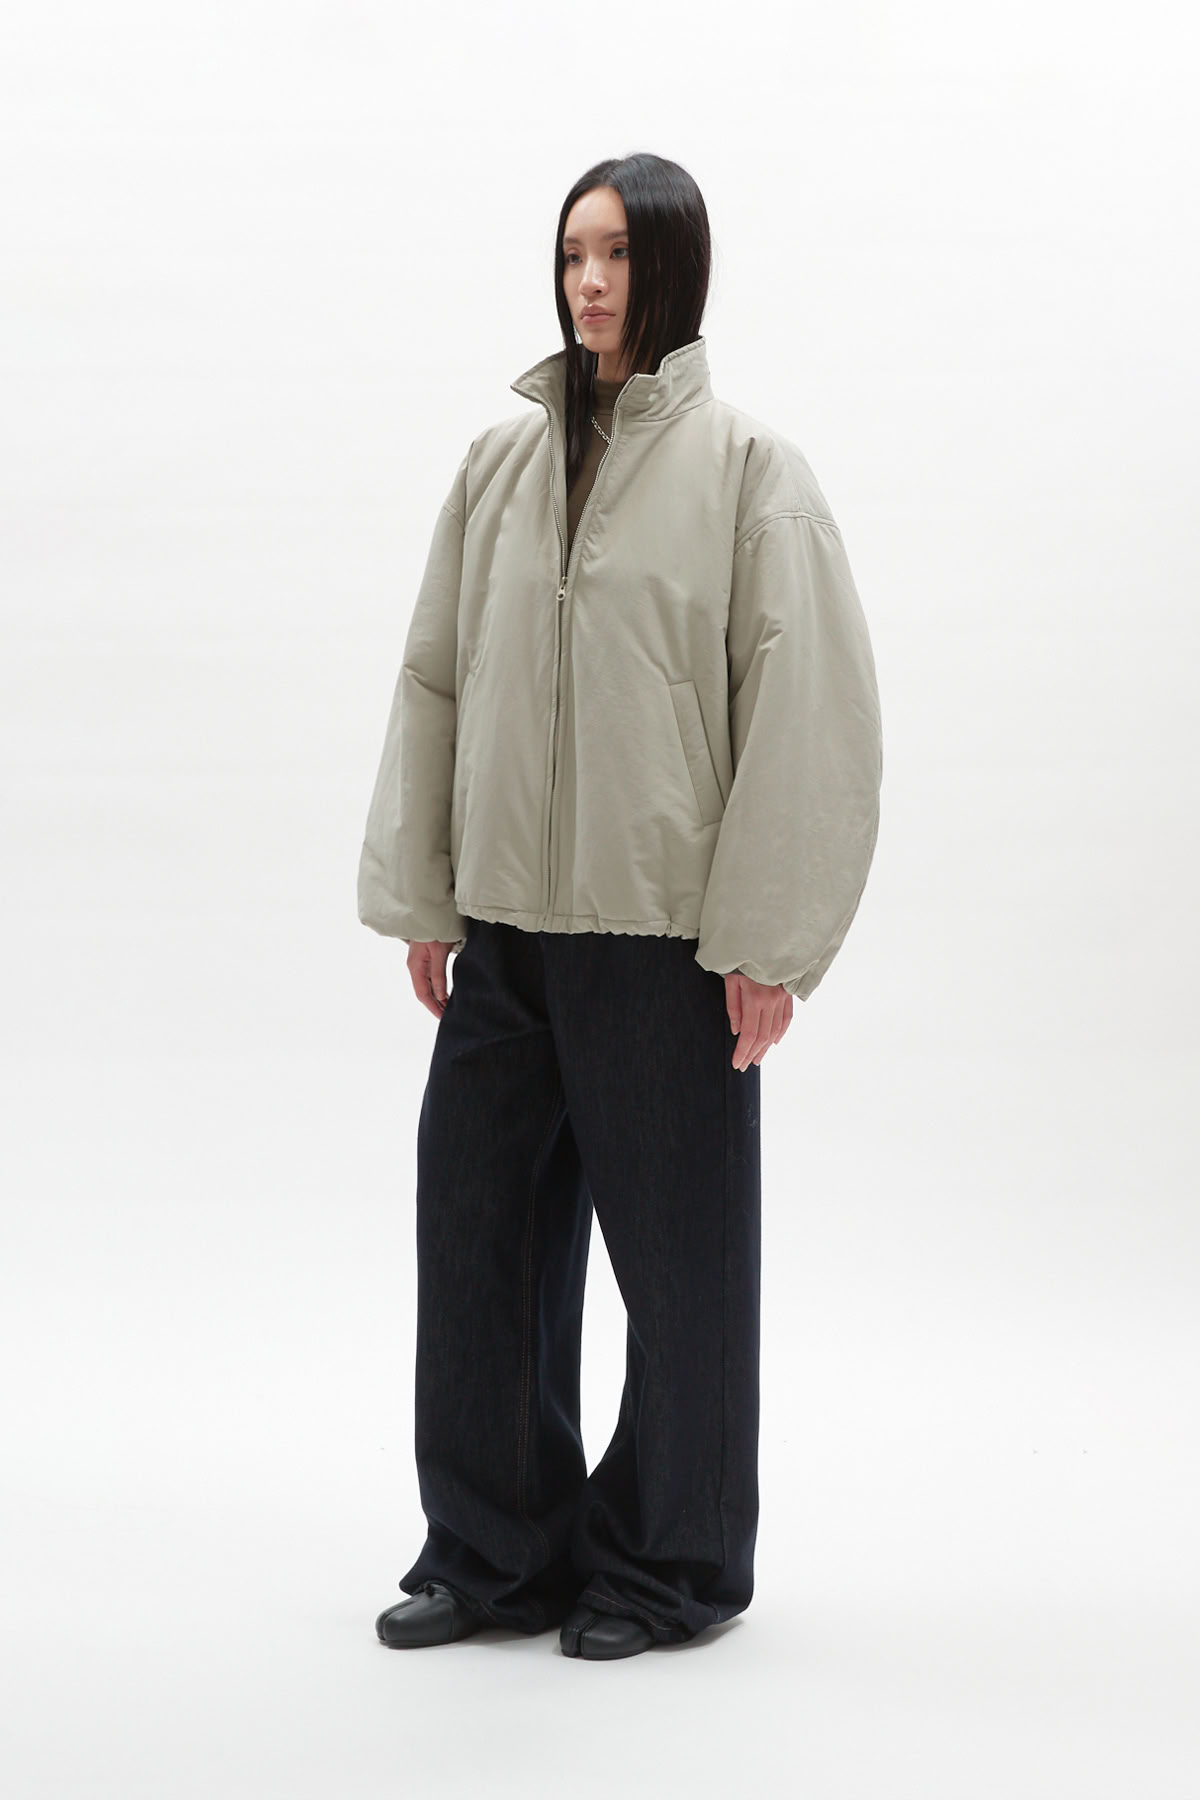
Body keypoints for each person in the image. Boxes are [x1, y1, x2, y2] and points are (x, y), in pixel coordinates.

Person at [357, 152, 883, 1661]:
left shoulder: (750, 474)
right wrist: (426, 894)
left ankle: (669, 1564)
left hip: (664, 941)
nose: (589, 284)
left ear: (675, 268)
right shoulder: (497, 467)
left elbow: (809, 712)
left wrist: (768, 943)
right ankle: (494, 1550)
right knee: (477, 1239)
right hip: (508, 932)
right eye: (572, 255)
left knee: (681, 1271)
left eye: (618, 256)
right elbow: (435, 674)